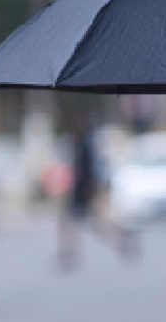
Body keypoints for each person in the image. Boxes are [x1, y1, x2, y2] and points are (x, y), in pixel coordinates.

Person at [57, 113, 136, 270]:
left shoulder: (85, 145)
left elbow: (87, 170)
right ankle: (68, 251)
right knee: (84, 224)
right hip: (81, 191)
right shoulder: (81, 143)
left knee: (86, 223)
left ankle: (121, 238)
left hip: (83, 191)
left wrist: (87, 189)